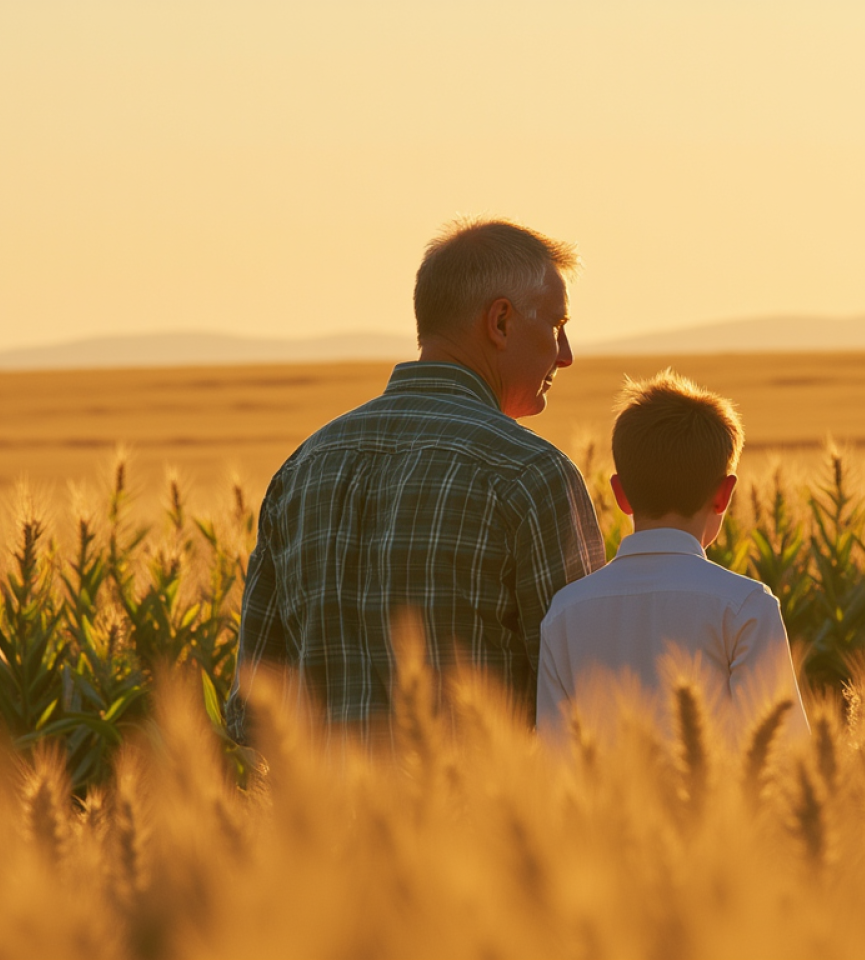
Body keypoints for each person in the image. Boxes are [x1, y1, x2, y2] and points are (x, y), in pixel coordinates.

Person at [226, 219, 606, 743]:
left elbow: (255, 712)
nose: (565, 353)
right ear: (500, 322)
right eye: (557, 325)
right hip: (478, 820)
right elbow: (587, 699)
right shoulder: (529, 474)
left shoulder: (301, 470)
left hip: (319, 822)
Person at [536, 370, 809, 743]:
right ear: (724, 495)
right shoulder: (747, 607)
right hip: (718, 804)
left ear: (620, 494)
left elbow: (556, 767)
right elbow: (784, 759)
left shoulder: (565, 613)